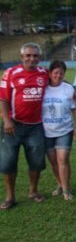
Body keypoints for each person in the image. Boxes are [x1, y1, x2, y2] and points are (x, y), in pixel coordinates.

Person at [0, 43, 49, 209]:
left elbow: (57, 85)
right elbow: (4, 99)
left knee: (36, 162)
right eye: (28, 56)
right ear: (22, 58)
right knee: (8, 162)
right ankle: (10, 196)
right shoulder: (11, 73)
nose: (31, 59)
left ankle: (33, 191)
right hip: (13, 126)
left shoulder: (44, 73)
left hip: (35, 126)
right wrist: (7, 120)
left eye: (35, 56)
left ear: (39, 58)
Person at [42, 60, 76, 201]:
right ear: (50, 73)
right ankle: (60, 183)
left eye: (61, 73)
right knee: (53, 162)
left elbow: (74, 109)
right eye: (55, 73)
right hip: (46, 131)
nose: (58, 75)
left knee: (62, 159)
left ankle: (66, 189)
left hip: (65, 130)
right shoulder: (43, 87)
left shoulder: (68, 88)